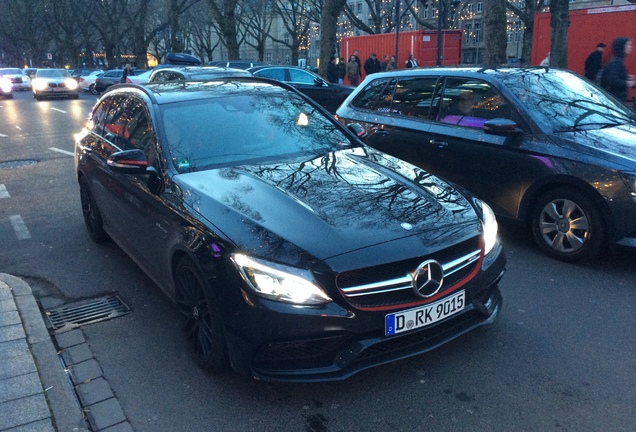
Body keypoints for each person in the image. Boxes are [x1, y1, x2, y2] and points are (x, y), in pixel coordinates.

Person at [600, 37, 635, 104]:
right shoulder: (616, 62)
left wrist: (626, 77)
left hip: (615, 98)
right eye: (628, 45)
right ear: (621, 47)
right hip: (615, 99)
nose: (630, 47)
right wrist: (628, 83)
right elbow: (612, 80)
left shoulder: (617, 61)